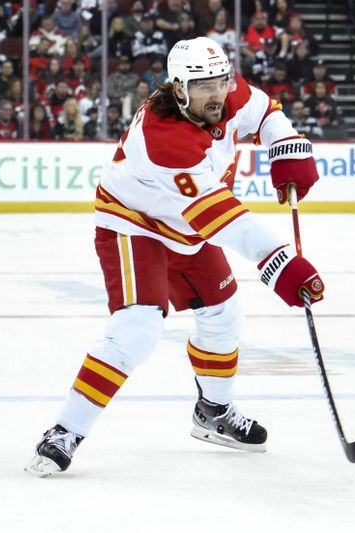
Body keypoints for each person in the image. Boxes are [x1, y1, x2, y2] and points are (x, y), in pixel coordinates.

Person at [25, 36, 323, 477]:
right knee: (137, 332)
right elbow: (223, 218)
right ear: (179, 88)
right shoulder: (164, 140)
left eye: (222, 81)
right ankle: (65, 432)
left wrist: (286, 147)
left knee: (223, 316)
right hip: (135, 226)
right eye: (205, 87)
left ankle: (214, 412)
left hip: (187, 227)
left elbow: (264, 110)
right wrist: (279, 263)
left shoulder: (223, 90)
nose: (218, 94)